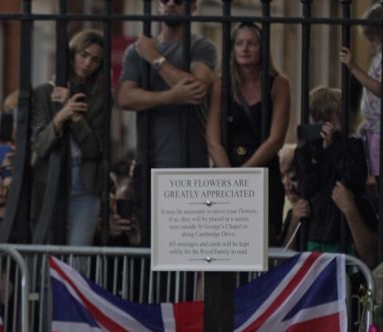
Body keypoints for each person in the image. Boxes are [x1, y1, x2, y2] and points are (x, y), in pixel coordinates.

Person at [206, 22, 290, 243]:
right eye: (239, 43)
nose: (245, 49)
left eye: (252, 43)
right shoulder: (221, 85)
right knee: (221, 252)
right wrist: (230, 178)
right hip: (226, 173)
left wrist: (244, 174)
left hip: (263, 172)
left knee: (261, 249)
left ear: (263, 48)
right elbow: (213, 139)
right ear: (232, 49)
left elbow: (276, 139)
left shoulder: (278, 84)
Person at [117, 0, 217, 169]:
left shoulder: (202, 47)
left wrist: (154, 57)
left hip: (191, 162)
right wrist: (171, 97)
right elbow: (125, 98)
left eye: (178, 1)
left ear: (193, 7)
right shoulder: (136, 51)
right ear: (157, 4)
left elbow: (196, 90)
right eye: (165, 0)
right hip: (149, 161)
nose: (171, 4)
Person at [31, 29, 108, 246]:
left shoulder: (100, 99)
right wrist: (59, 118)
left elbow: (94, 148)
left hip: (85, 185)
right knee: (47, 253)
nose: (87, 64)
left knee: (78, 254)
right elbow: (39, 142)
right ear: (73, 54)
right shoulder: (42, 94)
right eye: (83, 55)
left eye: (95, 60)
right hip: (49, 180)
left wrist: (73, 114)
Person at [294, 87, 378, 268]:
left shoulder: (352, 145)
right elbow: (306, 186)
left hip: (342, 233)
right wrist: (302, 150)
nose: (323, 124)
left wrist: (331, 147)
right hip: (316, 230)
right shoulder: (310, 149)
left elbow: (354, 178)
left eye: (328, 118)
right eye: (317, 119)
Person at [340, 4, 383, 181]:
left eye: (375, 40)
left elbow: (380, 88)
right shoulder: (377, 58)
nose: (373, 45)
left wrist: (353, 68)